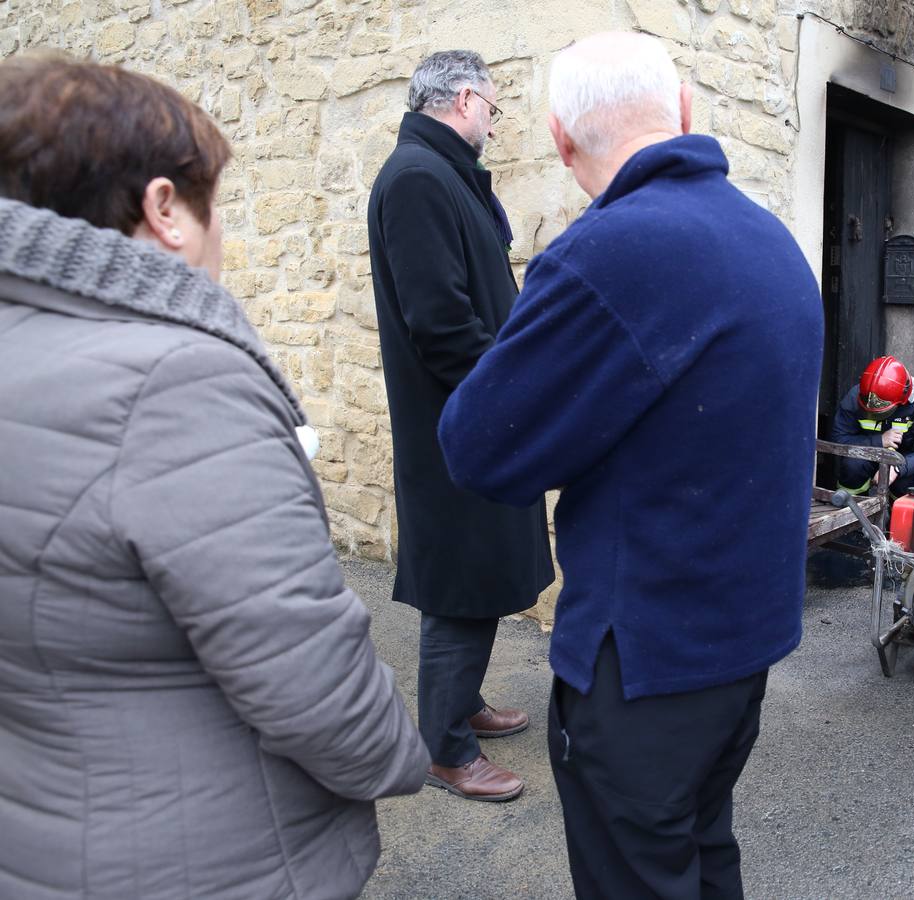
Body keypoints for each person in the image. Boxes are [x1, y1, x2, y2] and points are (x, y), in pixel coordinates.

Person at [0, 56, 429, 899]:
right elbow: (310, 681)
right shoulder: (177, 382)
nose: (222, 234)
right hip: (207, 858)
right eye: (215, 206)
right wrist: (400, 757)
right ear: (165, 208)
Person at [438, 32, 824, 899]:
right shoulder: (769, 241)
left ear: (559, 139)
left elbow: (479, 445)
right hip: (739, 646)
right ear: (683, 112)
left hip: (645, 661)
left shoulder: (611, 252)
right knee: (700, 852)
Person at [367, 50, 556, 803]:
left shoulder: (438, 172)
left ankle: (462, 707)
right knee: (461, 583)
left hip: (477, 417)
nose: (496, 123)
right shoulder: (417, 177)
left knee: (481, 573)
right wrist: (505, 395)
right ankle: (445, 750)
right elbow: (441, 324)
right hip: (459, 424)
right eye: (496, 109)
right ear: (467, 99)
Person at [830, 355, 914, 497]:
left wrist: (898, 468)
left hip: (903, 460)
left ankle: (896, 515)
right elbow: (839, 439)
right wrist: (879, 441)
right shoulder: (855, 398)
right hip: (864, 454)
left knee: (904, 485)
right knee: (852, 467)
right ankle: (848, 509)